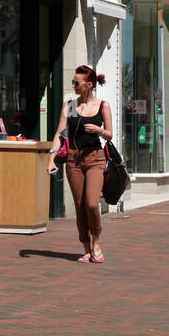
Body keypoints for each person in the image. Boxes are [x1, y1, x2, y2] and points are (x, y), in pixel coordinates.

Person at [47, 65, 113, 263]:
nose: (73, 85)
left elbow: (109, 134)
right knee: (79, 205)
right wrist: (51, 158)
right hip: (73, 160)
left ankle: (96, 241)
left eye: (77, 82)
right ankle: (85, 246)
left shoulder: (102, 106)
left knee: (92, 204)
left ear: (89, 85)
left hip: (95, 158)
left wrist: (99, 131)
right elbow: (60, 134)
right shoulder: (71, 107)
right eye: (73, 82)